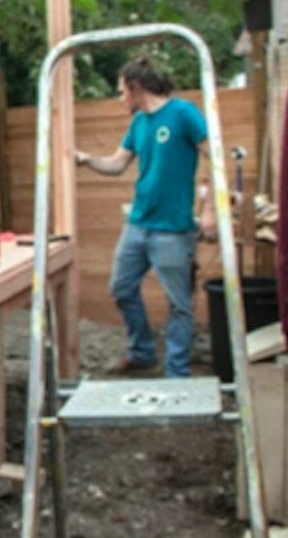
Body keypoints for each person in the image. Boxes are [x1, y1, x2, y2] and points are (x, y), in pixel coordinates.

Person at [74, 56, 210, 378]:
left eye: (122, 91)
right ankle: (143, 353)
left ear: (136, 88)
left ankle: (177, 374)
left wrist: (210, 210)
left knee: (179, 303)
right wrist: (87, 159)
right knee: (121, 288)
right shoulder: (139, 123)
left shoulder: (183, 113)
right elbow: (117, 164)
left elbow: (215, 157)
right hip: (138, 224)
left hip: (173, 229)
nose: (120, 98)